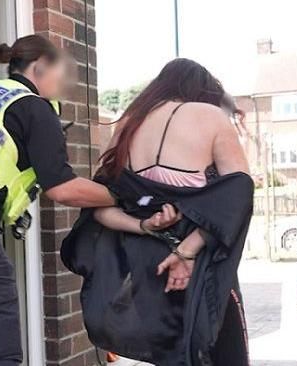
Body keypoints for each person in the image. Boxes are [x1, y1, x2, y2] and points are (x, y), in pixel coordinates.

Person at [0, 35, 178, 366]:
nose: (64, 82)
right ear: (40, 65)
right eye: (61, 72)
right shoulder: (32, 107)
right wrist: (126, 194)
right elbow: (63, 188)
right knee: (0, 344)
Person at [61, 58, 253, 365]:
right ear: (202, 91)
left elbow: (99, 210)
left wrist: (145, 226)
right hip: (201, 265)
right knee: (223, 353)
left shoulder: (129, 124)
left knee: (171, 357)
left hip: (146, 269)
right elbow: (239, 195)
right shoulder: (210, 115)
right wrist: (186, 252)